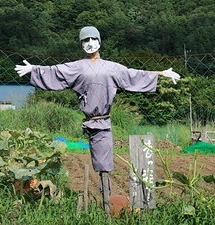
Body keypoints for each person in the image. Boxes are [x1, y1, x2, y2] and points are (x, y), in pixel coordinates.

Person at [15, 26, 180, 210]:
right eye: (85, 40)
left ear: (99, 41)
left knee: (104, 165)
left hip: (104, 121)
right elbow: (57, 71)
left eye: (93, 39)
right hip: (90, 120)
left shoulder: (111, 67)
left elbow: (132, 74)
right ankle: (104, 203)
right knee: (100, 163)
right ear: (81, 44)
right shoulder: (77, 66)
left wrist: (161, 73)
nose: (90, 43)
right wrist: (34, 69)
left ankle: (107, 202)